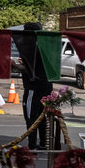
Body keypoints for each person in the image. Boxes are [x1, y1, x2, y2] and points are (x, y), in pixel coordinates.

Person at [13, 22, 53, 150]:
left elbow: (29, 70)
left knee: (31, 116)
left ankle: (32, 145)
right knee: (42, 116)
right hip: (46, 86)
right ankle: (42, 143)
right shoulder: (45, 46)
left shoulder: (31, 48)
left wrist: (13, 65)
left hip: (33, 87)